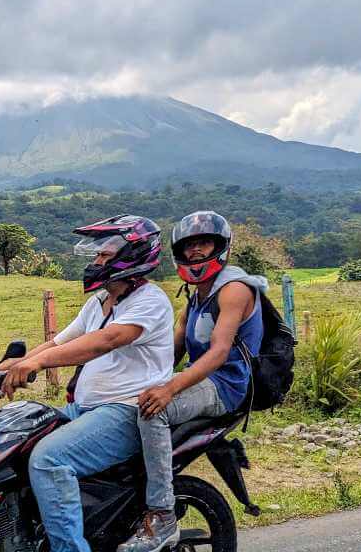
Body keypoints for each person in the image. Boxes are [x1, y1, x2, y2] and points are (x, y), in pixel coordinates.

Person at [0, 215, 174, 552]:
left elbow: (105, 341)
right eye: (96, 256)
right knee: (13, 440)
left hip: (124, 412)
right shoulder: (98, 302)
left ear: (132, 256)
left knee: (48, 459)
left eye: (104, 256)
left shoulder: (150, 302)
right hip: (85, 408)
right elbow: (57, 343)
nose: (95, 263)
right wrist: (7, 367)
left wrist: (37, 363)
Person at [118, 211, 267, 552]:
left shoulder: (234, 290)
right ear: (179, 253)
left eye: (204, 243)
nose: (197, 251)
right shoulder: (196, 295)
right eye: (190, 246)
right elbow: (172, 349)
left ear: (221, 247)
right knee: (129, 400)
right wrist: (129, 381)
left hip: (225, 386)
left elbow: (218, 352)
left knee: (154, 411)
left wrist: (168, 390)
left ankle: (162, 515)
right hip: (202, 379)